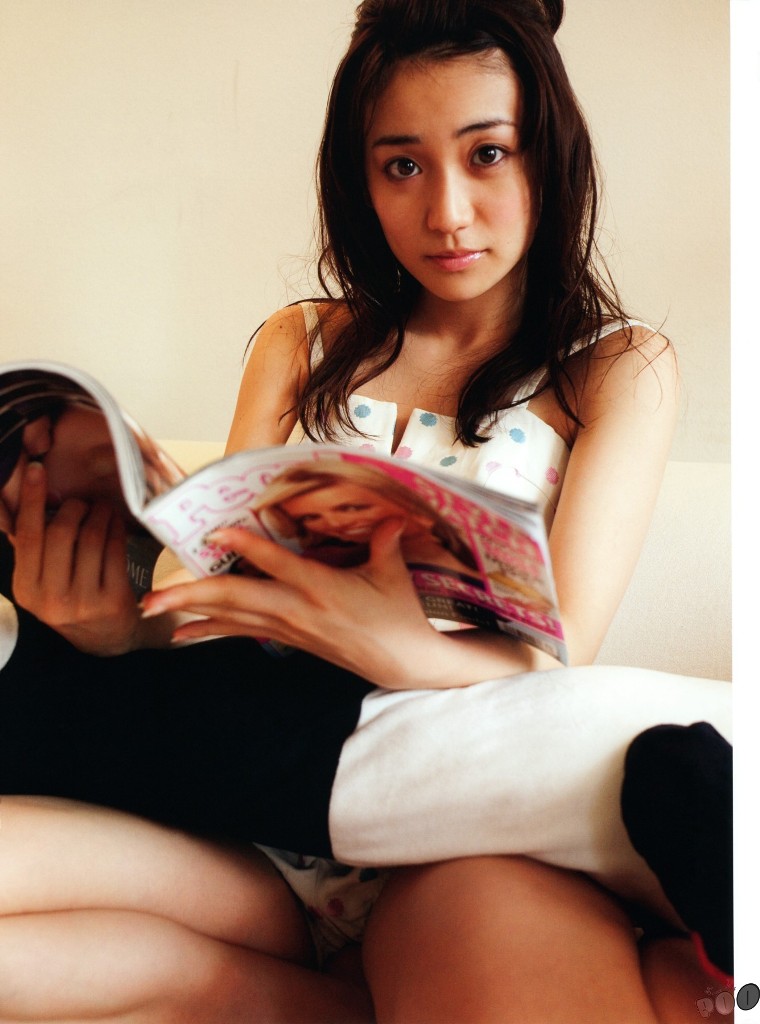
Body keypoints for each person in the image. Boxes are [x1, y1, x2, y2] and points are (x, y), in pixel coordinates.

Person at [0, 0, 732, 1021]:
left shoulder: (615, 368)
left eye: (487, 154)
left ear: (549, 157)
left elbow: (558, 656)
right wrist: (108, 630)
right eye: (402, 166)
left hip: (466, 829)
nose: (447, 213)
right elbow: (211, 590)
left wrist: (393, 645)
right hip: (260, 819)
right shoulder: (300, 342)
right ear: (361, 177)